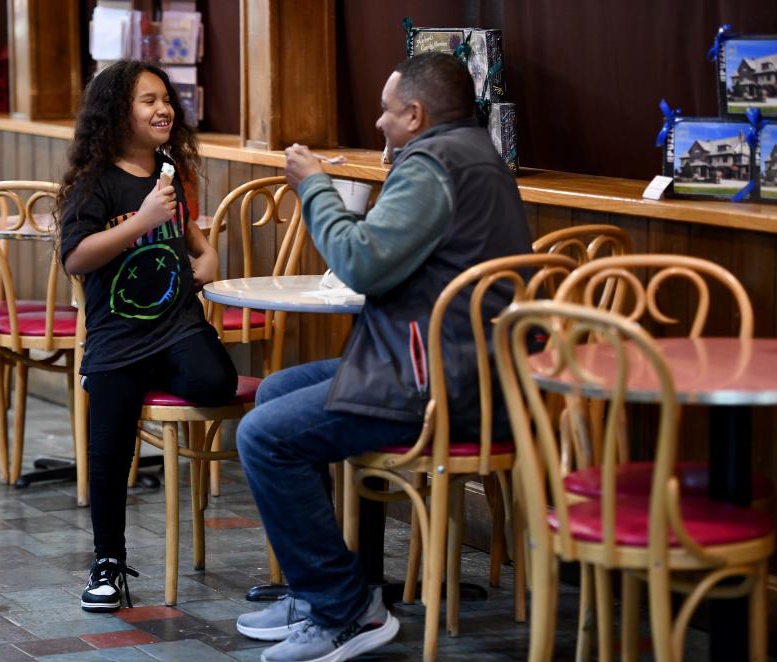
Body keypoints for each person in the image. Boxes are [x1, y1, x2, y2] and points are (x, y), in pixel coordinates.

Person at [234, 52, 533, 662]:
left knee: (264, 436)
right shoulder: (480, 154)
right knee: (274, 391)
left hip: (437, 384)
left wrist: (314, 185)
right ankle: (319, 591)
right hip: (474, 370)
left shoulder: (432, 164)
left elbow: (361, 262)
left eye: (387, 111)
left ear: (416, 115)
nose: (379, 123)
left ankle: (348, 610)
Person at [55, 59, 237, 613]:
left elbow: (191, 238)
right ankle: (107, 562)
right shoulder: (95, 182)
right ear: (116, 113)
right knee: (108, 450)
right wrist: (139, 219)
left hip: (176, 324)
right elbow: (75, 258)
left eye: (166, 100)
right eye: (147, 101)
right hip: (117, 335)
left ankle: (159, 373)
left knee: (217, 380)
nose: (162, 110)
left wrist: (206, 259)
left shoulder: (166, 172)